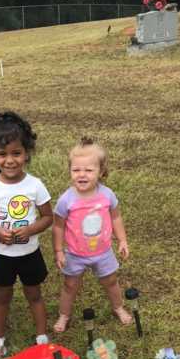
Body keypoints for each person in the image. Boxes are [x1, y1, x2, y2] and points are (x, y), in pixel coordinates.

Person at [0, 111, 53, 356]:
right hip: (2, 255)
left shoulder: (35, 185)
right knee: (2, 298)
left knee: (34, 294)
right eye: (2, 154)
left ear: (26, 153)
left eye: (16, 153)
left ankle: (41, 335)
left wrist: (30, 229)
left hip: (30, 253)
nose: (10, 160)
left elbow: (48, 217)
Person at [52, 138, 132, 333]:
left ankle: (118, 307)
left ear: (101, 171)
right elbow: (58, 227)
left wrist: (122, 240)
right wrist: (59, 250)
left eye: (88, 170)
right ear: (70, 171)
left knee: (111, 281)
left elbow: (116, 218)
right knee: (70, 285)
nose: (82, 175)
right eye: (76, 170)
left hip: (103, 251)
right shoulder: (66, 200)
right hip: (75, 254)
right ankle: (64, 315)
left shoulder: (107, 195)